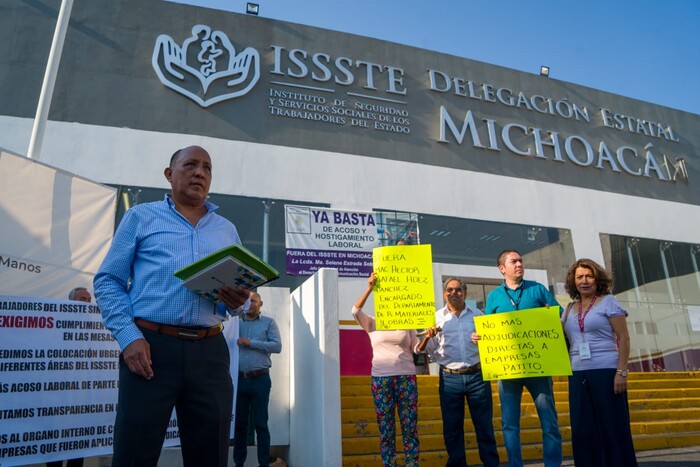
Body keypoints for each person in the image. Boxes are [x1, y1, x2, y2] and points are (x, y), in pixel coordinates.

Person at [94, 145, 251, 467]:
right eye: (190, 165)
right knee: (134, 453)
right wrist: (129, 337)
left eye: (207, 167)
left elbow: (231, 297)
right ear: (169, 174)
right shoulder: (140, 217)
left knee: (211, 455)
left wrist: (239, 301)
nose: (200, 172)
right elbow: (108, 280)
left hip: (210, 353)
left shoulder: (226, 229)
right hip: (150, 348)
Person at [482, 249, 562, 467]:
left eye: (521, 261)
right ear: (502, 269)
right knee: (509, 425)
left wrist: (550, 315)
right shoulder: (494, 297)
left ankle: (553, 464)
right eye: (513, 261)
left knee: (550, 422)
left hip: (539, 369)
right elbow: (488, 329)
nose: (519, 264)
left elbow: (560, 317)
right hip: (508, 371)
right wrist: (479, 336)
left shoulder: (538, 289)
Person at [562, 259, 637, 466]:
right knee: (583, 431)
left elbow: (623, 338)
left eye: (589, 276)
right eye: (579, 277)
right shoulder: (568, 309)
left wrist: (621, 372)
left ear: (597, 279)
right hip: (577, 373)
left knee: (613, 428)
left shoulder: (608, 302)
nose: (584, 281)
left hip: (606, 371)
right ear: (573, 281)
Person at [419, 278, 499, 467]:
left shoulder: (479, 315)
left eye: (458, 289)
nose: (454, 293)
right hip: (449, 378)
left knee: (484, 426)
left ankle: (491, 464)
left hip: (477, 377)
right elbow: (427, 351)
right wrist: (429, 336)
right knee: (452, 428)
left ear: (465, 292)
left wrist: (484, 340)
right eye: (450, 290)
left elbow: (492, 345)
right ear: (444, 293)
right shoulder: (435, 318)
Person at [352, 272, 420, 467]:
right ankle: (389, 464)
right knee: (386, 427)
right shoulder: (371, 321)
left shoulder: (406, 322)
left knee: (409, 426)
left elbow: (416, 348)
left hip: (406, 377)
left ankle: (412, 463)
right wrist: (370, 288)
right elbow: (355, 311)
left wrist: (427, 337)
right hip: (381, 379)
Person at [233, 291, 282, 467]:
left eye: (253, 300)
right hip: (239, 381)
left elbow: (277, 346)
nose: (250, 303)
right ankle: (239, 463)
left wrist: (250, 342)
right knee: (240, 426)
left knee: (261, 424)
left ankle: (263, 464)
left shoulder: (269, 323)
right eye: (247, 301)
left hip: (260, 380)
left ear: (260, 304)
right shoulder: (235, 324)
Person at [45, 289, 92, 467]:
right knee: (55, 445)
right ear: (71, 302)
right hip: (58, 398)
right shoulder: (57, 323)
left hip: (82, 399)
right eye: (82, 299)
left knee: (77, 447)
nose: (87, 303)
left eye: (89, 299)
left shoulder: (95, 327)